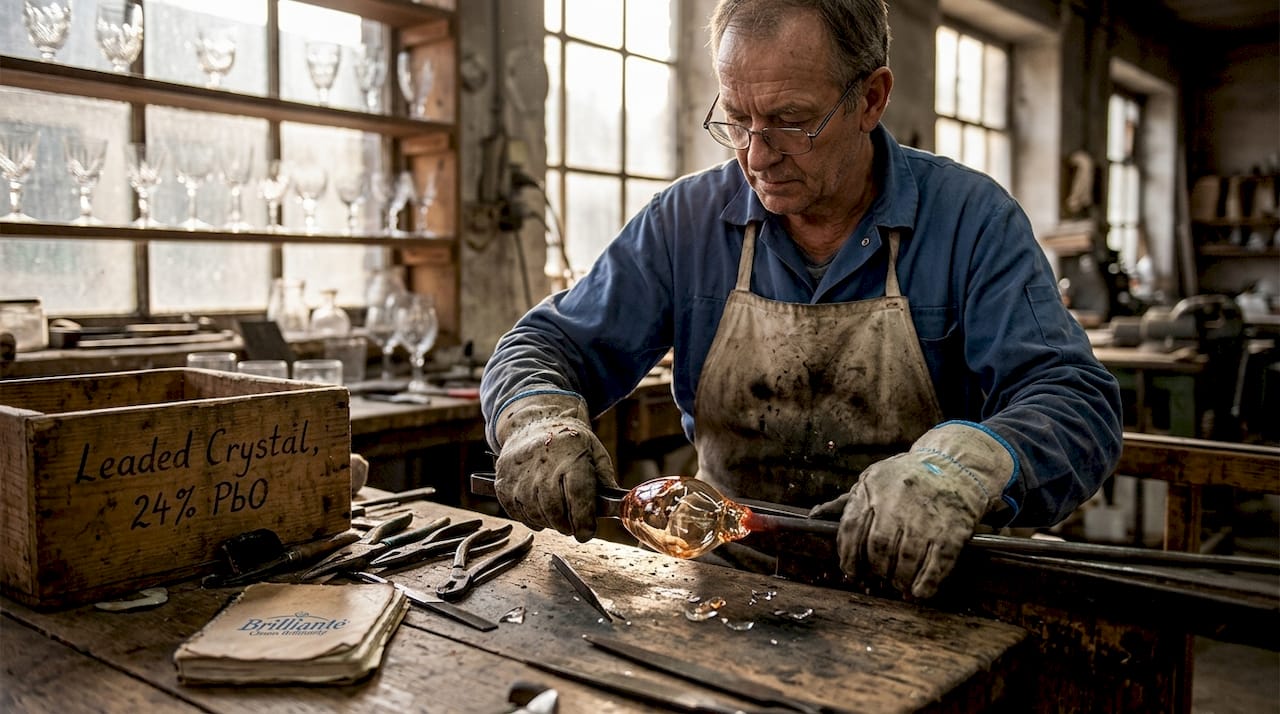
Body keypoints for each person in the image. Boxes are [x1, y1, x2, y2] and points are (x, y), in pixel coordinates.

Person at [480, 0, 1122, 599]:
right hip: (728, 581)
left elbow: (1074, 402)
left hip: (925, 592)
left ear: (872, 98)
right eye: (736, 119)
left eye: (791, 121)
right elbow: (547, 343)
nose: (756, 155)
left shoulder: (970, 221)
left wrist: (959, 470)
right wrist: (538, 419)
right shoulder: (687, 221)